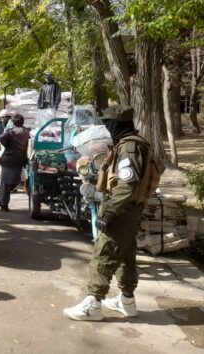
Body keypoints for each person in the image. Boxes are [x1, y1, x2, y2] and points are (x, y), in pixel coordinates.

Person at [63, 105, 152, 321]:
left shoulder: (129, 148)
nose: (107, 128)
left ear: (116, 124)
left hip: (122, 210)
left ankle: (93, 304)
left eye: (108, 124)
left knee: (103, 253)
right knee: (125, 255)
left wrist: (108, 212)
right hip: (130, 209)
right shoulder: (134, 143)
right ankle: (127, 301)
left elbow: (127, 185)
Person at [0, 114, 30, 211]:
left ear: (13, 122)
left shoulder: (10, 131)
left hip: (8, 159)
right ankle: (2, 202)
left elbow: (1, 138)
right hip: (19, 160)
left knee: (5, 183)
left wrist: (8, 145)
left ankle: (2, 202)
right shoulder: (27, 131)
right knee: (14, 181)